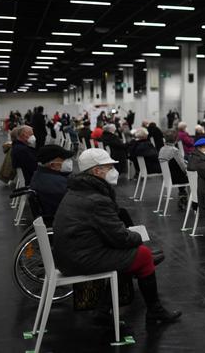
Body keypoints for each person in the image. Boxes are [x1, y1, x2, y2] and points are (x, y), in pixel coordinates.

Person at [53, 148, 181, 323]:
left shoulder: (78, 191)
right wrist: (138, 237)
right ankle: (154, 310)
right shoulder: (97, 200)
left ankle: (103, 310)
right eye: (109, 167)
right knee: (142, 255)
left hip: (70, 255)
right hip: (80, 259)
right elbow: (120, 237)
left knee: (129, 256)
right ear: (97, 171)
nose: (114, 171)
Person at [29, 145, 73, 217]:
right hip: (64, 220)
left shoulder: (41, 175)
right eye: (65, 159)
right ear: (52, 165)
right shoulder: (57, 184)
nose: (69, 161)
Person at [159, 129, 189, 211]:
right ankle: (192, 201)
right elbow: (183, 166)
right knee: (193, 175)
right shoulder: (174, 150)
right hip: (175, 178)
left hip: (167, 177)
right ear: (176, 140)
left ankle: (183, 195)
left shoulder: (162, 149)